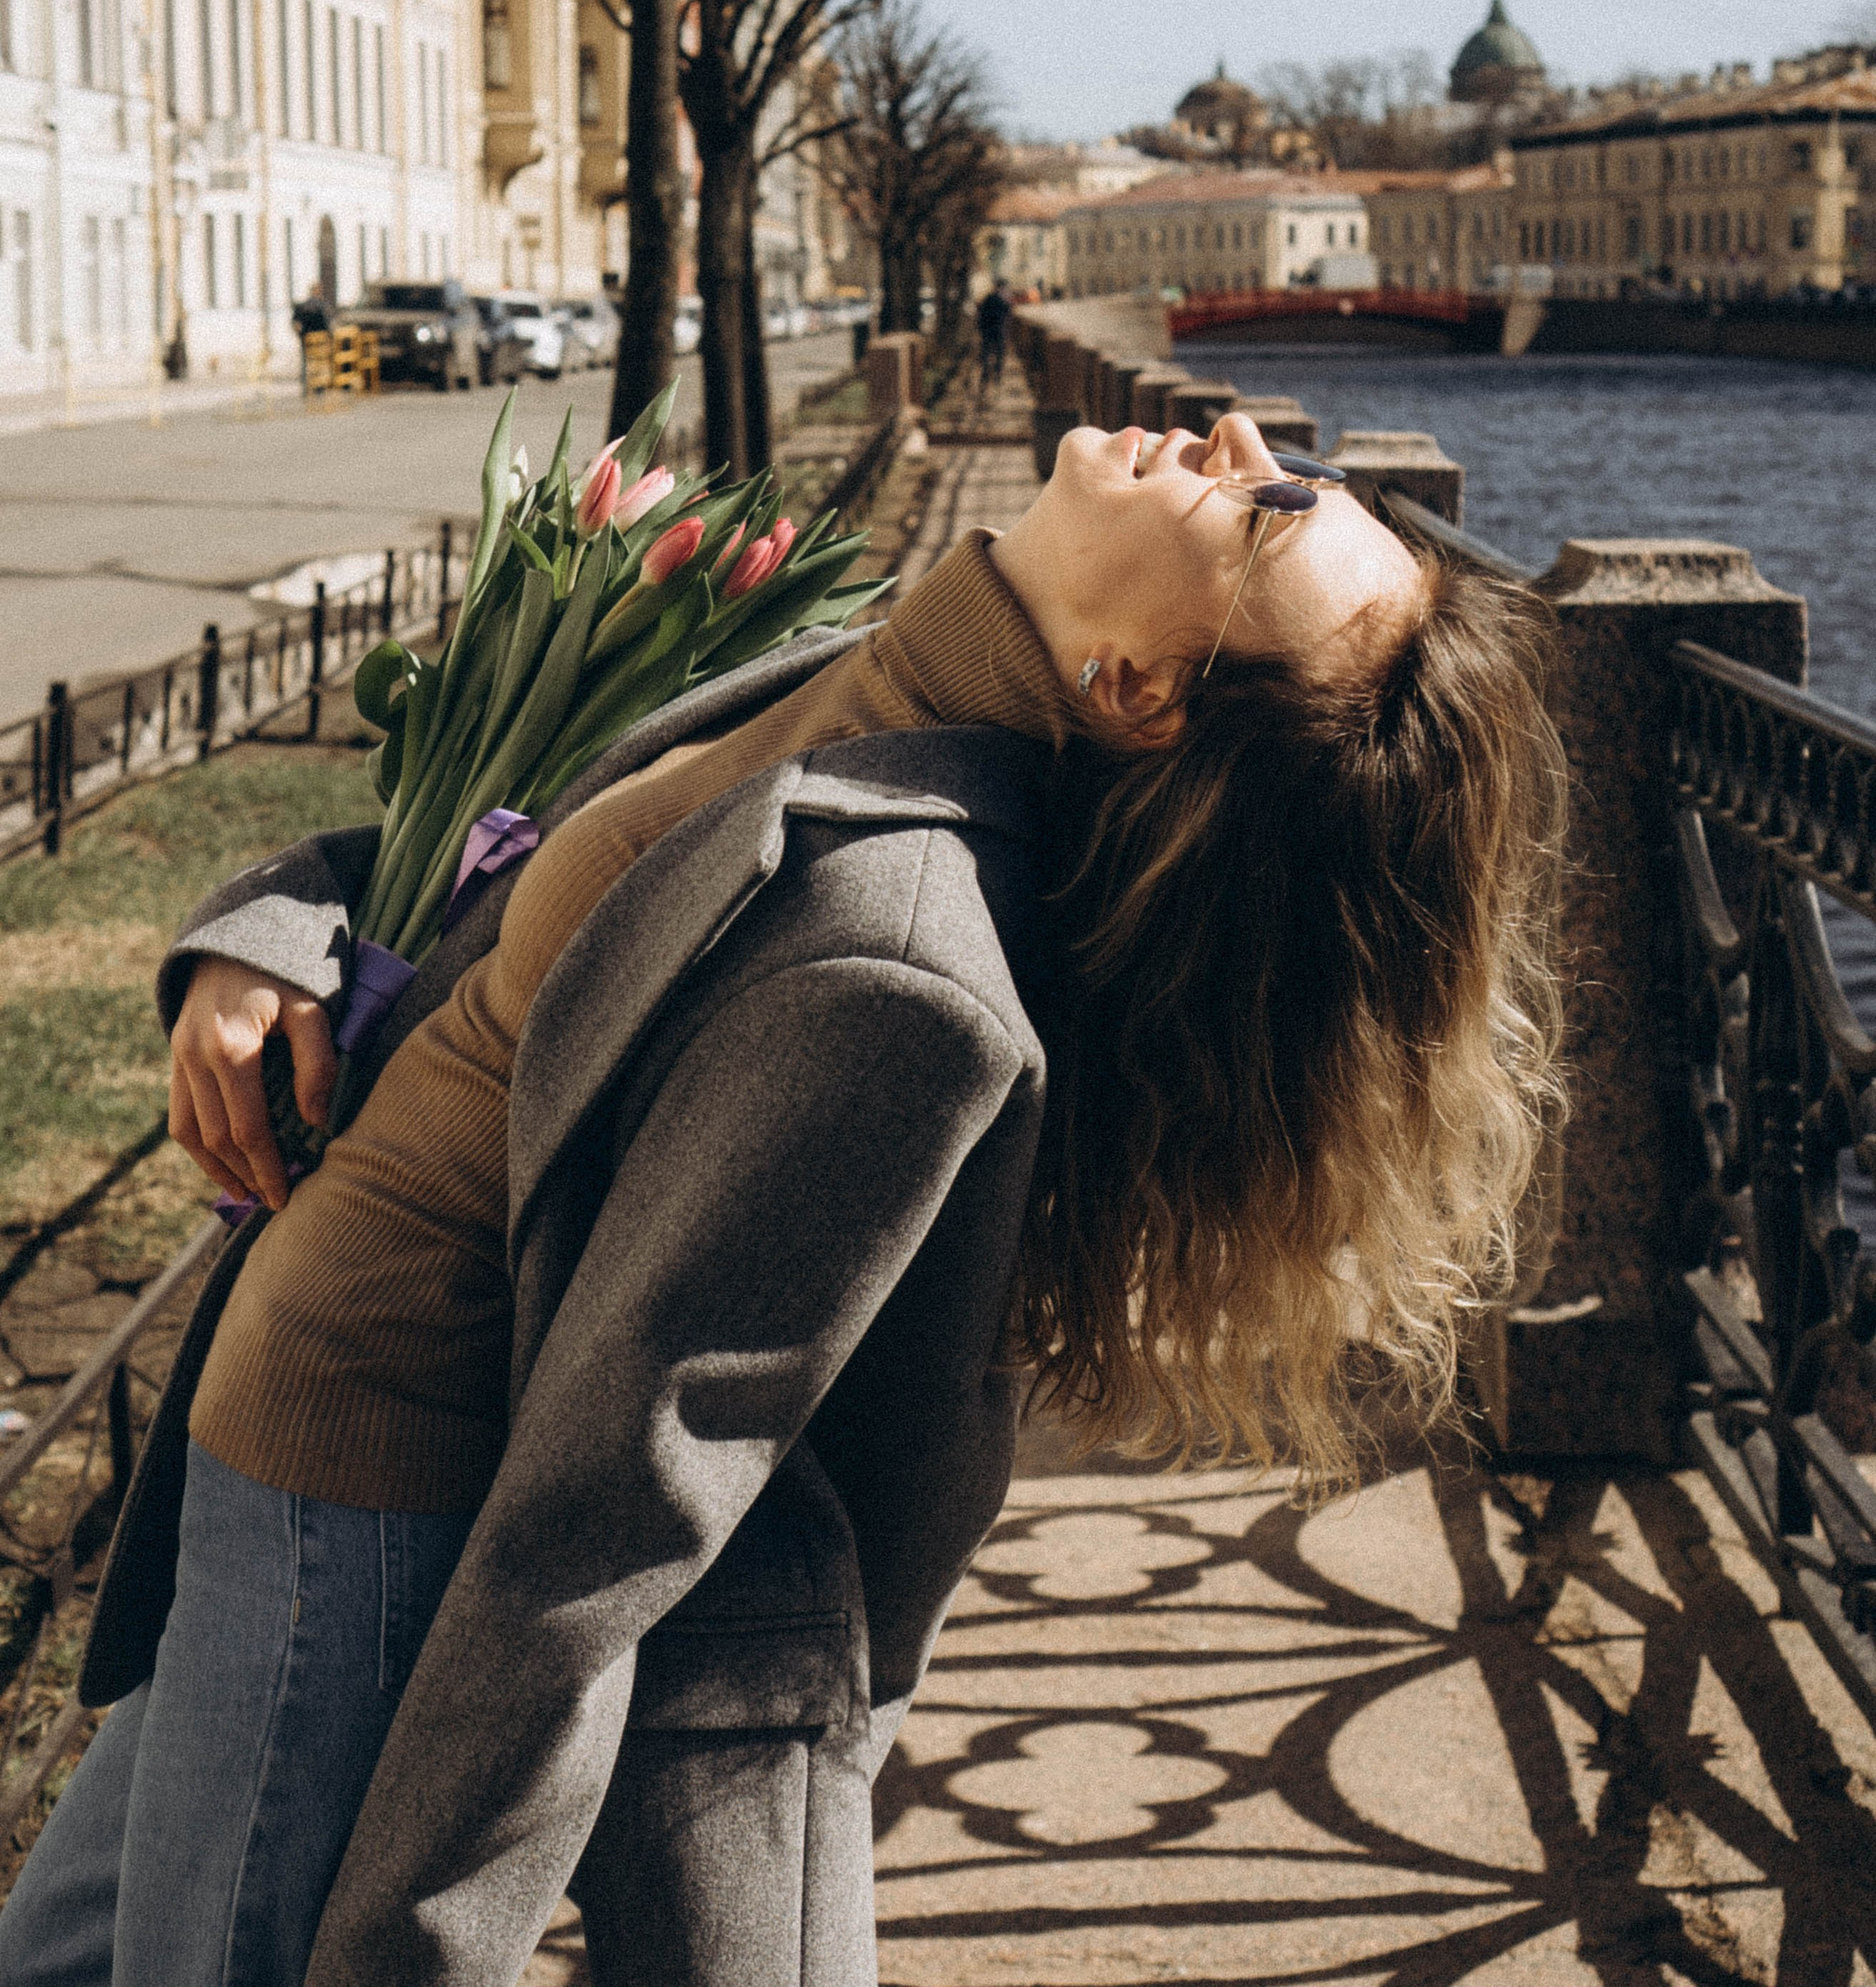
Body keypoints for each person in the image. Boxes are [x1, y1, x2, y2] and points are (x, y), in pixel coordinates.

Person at [0, 413, 1566, 1987]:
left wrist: (412, 1949)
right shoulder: (866, 672)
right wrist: (266, 935)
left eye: (1269, 511)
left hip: (348, 1512)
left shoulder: (895, 961)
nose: (1237, 436)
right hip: (268, 1444)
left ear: (1136, 686)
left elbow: (599, 1535)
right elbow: (500, 877)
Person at [975, 279, 1011, 386]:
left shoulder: (987, 298)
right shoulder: (1001, 300)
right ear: (1001, 288)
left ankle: (986, 370)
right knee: (1000, 351)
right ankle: (997, 373)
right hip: (997, 329)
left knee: (987, 349)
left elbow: (981, 313)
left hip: (987, 329)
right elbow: (1008, 311)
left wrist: (980, 328)